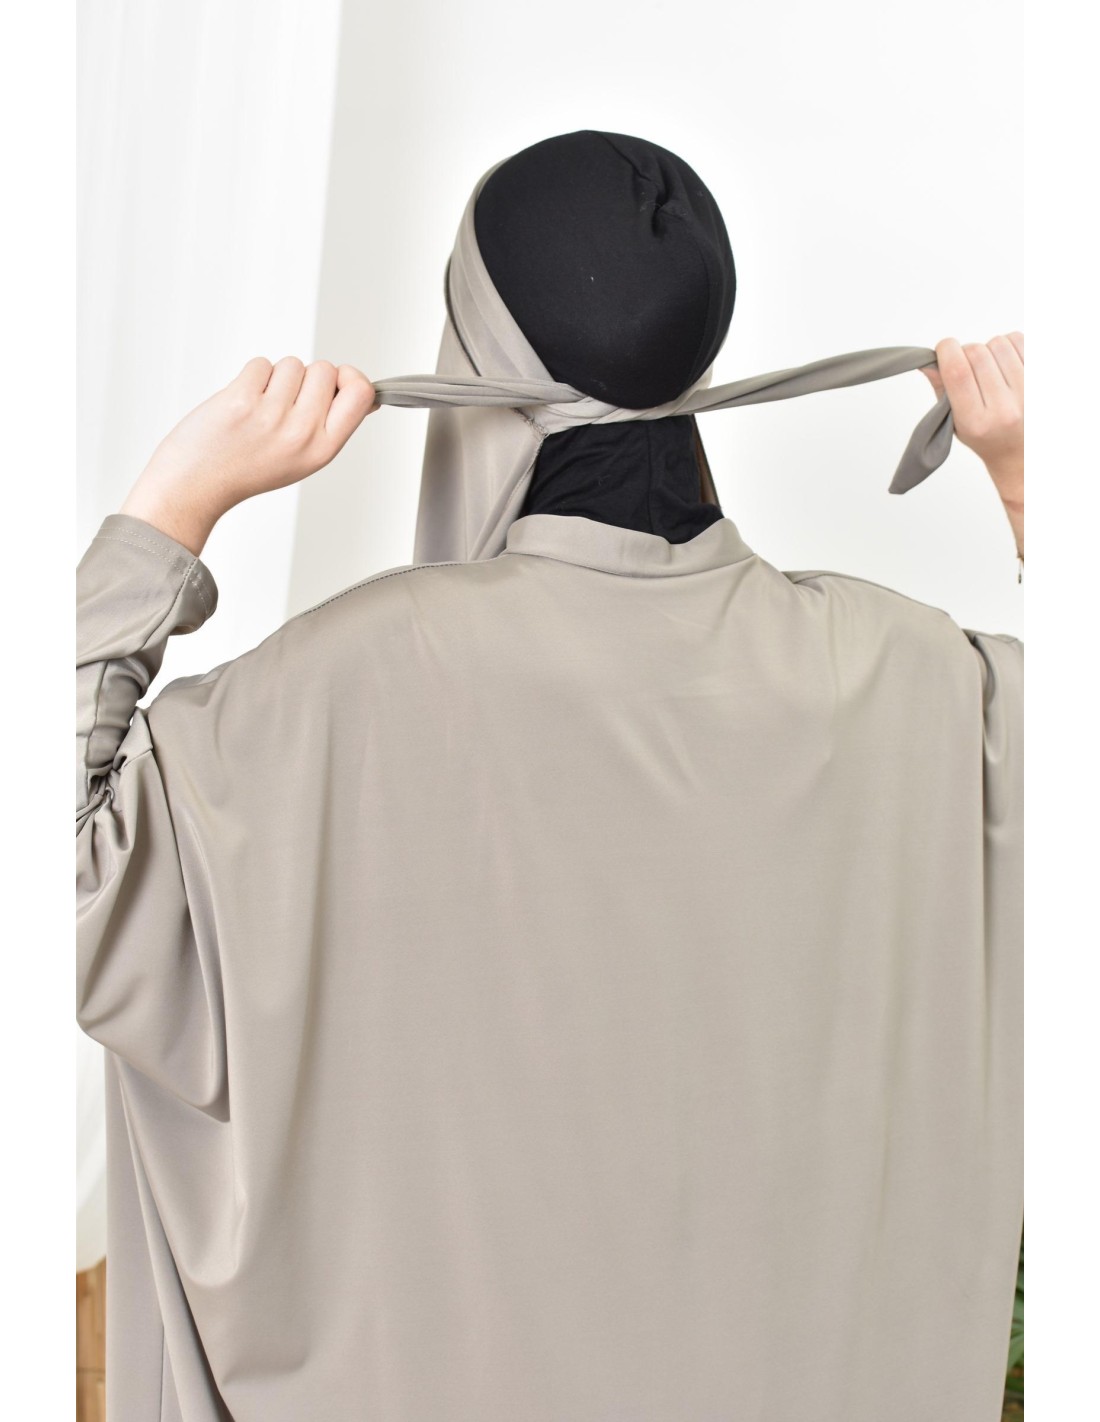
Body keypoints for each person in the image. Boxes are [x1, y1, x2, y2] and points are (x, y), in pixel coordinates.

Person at [76, 131, 1023, 1422]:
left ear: (478, 352)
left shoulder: (331, 686)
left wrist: (171, 507)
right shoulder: (926, 677)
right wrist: (1031, 485)